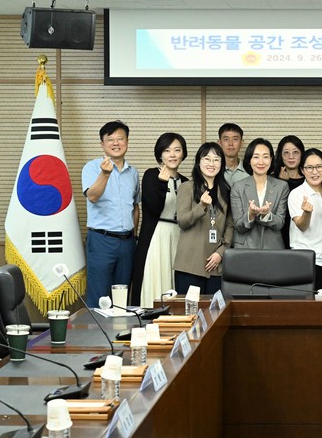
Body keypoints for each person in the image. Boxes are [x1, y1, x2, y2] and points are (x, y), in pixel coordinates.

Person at [82, 120, 139, 308]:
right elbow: (92, 196)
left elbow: (135, 207)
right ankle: (96, 329)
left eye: (120, 139)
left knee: (122, 297)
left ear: (127, 142)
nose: (116, 143)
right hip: (101, 240)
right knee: (99, 296)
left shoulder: (133, 173)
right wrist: (105, 174)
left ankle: (119, 328)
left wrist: (133, 235)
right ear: (102, 144)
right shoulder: (92, 167)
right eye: (110, 139)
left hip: (127, 242)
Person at [130, 133, 188, 308]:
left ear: (183, 154)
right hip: (156, 236)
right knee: (154, 277)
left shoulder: (186, 182)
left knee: (176, 280)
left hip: (179, 236)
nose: (172, 155)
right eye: (167, 150)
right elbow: (153, 209)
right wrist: (162, 184)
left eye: (177, 150)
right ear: (160, 154)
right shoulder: (151, 175)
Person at [173, 143, 233, 295]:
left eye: (216, 160)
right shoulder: (187, 187)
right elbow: (183, 221)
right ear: (198, 162)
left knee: (214, 308)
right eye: (207, 159)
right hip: (190, 263)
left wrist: (221, 252)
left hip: (216, 264)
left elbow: (230, 225)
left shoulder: (226, 191)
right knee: (190, 308)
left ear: (222, 164)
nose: (211, 164)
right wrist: (201, 206)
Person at [231, 138, 289, 249]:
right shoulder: (237, 187)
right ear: (249, 160)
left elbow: (280, 223)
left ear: (271, 159)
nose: (261, 162)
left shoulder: (282, 186)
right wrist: (250, 215)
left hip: (272, 248)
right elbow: (238, 225)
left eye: (265, 157)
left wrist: (267, 215)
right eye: (256, 157)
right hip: (246, 248)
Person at [289, 148, 322, 290]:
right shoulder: (297, 194)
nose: (315, 172)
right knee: (304, 302)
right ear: (302, 170)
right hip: (304, 259)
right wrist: (307, 213)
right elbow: (301, 226)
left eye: (319, 166)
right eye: (309, 168)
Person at [273, 135, 305, 248]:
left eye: (295, 152)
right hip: (277, 235)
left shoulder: (309, 179)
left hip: (301, 235)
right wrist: (281, 182)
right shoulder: (272, 179)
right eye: (286, 153)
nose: (291, 156)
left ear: (302, 154)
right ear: (280, 155)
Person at [218, 123, 248, 190]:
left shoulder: (250, 170)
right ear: (219, 143)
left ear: (241, 143)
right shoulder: (213, 169)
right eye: (226, 139)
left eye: (235, 139)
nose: (230, 144)